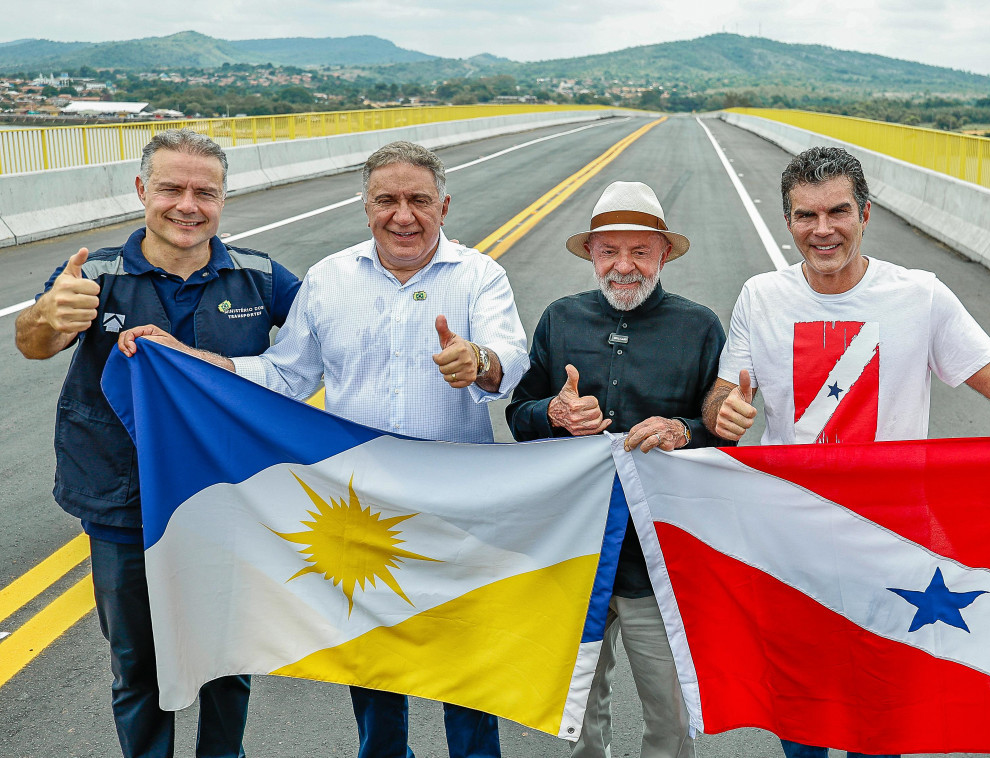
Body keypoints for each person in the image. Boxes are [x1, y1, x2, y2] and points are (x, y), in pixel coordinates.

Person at [701, 145, 990, 758]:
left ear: (865, 213)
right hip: (795, 537)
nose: (823, 230)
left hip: (893, 540)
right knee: (802, 709)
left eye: (837, 211)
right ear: (787, 221)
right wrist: (721, 413)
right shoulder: (760, 296)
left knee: (884, 709)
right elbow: (721, 394)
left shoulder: (919, 295)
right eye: (805, 216)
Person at [120, 140, 528, 758]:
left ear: (443, 206)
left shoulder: (480, 276)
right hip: (360, 508)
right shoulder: (330, 278)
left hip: (453, 506)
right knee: (374, 665)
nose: (403, 215)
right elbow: (286, 375)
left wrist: (480, 362)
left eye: (419, 200)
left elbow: (512, 362)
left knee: (465, 665)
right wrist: (198, 363)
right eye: (386, 200)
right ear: (365, 208)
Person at [15, 128, 302, 758]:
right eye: (171, 188)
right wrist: (45, 315)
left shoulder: (259, 278)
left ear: (224, 200)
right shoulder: (94, 278)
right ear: (143, 190)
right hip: (123, 504)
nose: (188, 205)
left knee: (227, 664)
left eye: (206, 192)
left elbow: (330, 344)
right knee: (137, 667)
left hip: (229, 500)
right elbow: (35, 342)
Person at [506, 181, 726, 758]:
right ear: (592, 254)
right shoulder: (560, 319)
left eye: (639, 251)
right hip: (577, 554)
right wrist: (553, 412)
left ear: (663, 255)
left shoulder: (699, 327)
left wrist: (685, 431)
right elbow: (518, 415)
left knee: (672, 718)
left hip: (662, 558)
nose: (623, 266)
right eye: (610, 251)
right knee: (578, 714)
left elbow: (721, 433)